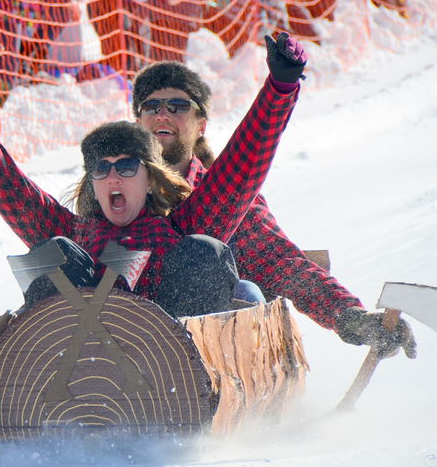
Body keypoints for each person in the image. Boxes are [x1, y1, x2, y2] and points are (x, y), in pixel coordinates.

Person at [0, 34, 303, 317]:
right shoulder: (78, 235)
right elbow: (4, 182)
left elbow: (242, 169)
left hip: (179, 368)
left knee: (205, 252)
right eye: (101, 169)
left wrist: (279, 89)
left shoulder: (185, 223)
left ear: (151, 178)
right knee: (53, 254)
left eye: (126, 166)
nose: (113, 177)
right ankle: (26, 392)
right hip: (90, 370)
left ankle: (208, 389)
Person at [131, 32, 416, 359]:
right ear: (136, 121)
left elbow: (281, 263)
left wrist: (349, 316)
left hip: (209, 354)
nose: (162, 114)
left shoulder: (232, 199)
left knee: (247, 293)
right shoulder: (114, 193)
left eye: (178, 105)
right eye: (151, 106)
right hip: (129, 346)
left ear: (201, 125)